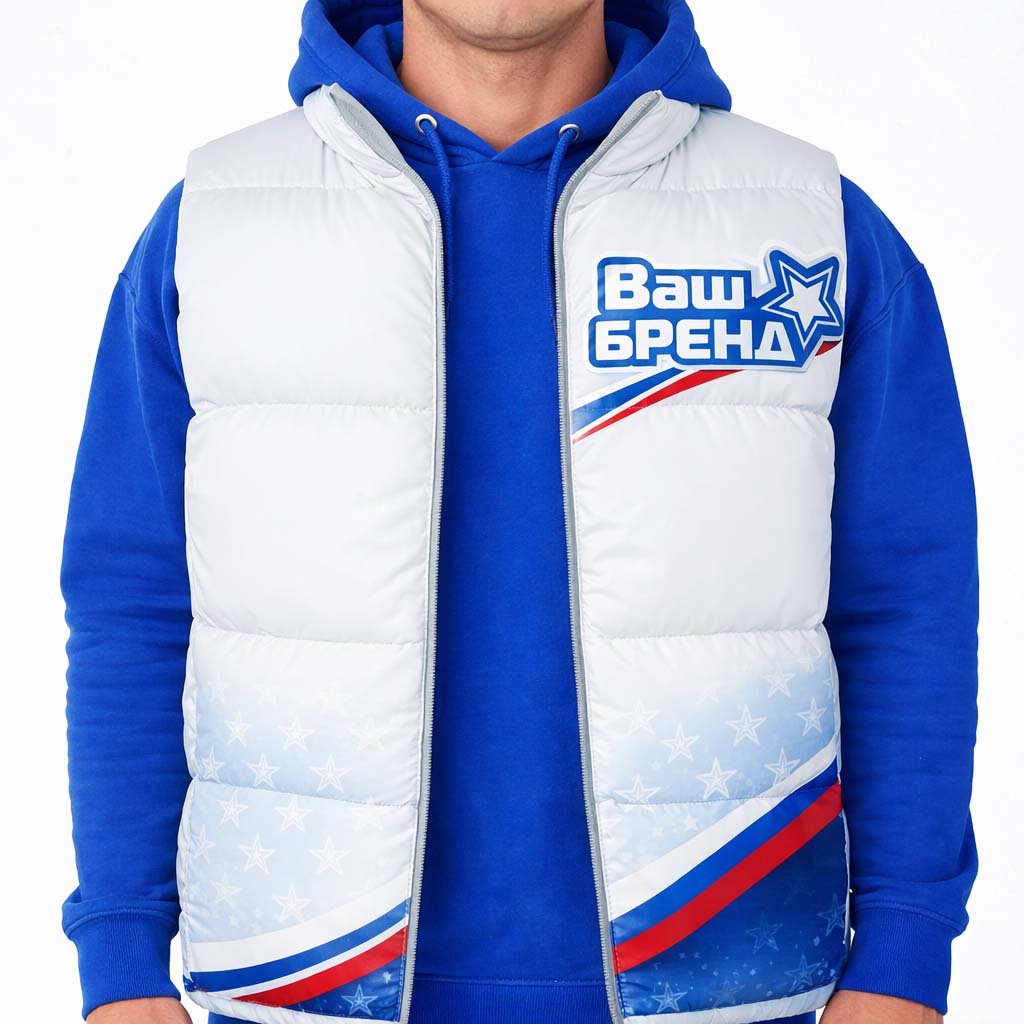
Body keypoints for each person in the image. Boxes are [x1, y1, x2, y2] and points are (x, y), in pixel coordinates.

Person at [60, 2, 979, 1023]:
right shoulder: (214, 229)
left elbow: (908, 604)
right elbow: (133, 603)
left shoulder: (805, 226)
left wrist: (903, 951)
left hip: (725, 978)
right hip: (302, 980)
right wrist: (122, 953)